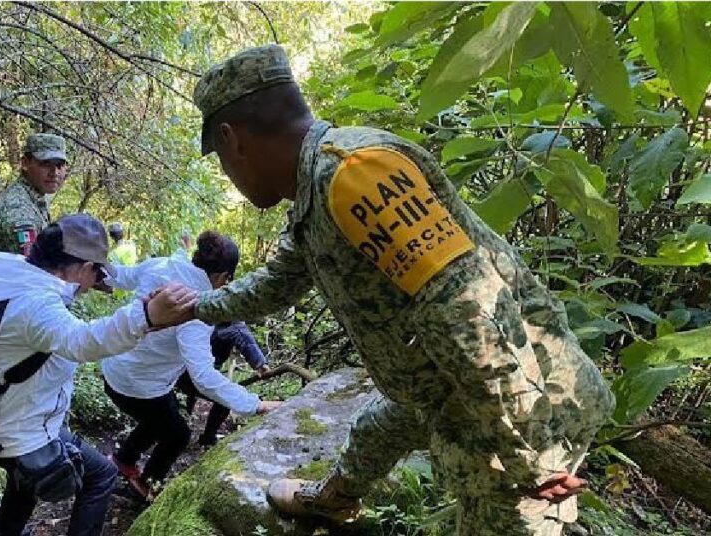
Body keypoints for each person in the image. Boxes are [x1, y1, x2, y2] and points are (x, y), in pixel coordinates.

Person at [189, 44, 614, 536]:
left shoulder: (355, 176)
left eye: (220, 159)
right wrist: (194, 307)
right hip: (449, 388)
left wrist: (528, 457)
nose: (227, 173)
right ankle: (335, 500)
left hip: (520, 408)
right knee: (379, 427)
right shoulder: (316, 188)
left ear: (231, 138)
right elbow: (281, 280)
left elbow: (471, 315)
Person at [0, 214, 197, 536]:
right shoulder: (37, 304)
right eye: (97, 269)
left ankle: (8, 532)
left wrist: (145, 316)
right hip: (15, 429)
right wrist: (146, 316)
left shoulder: (12, 277)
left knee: (22, 478)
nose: (98, 278)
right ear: (84, 268)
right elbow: (83, 342)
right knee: (100, 477)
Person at [100, 231, 280, 497]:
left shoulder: (162, 265)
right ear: (222, 277)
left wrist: (92, 266)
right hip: (138, 385)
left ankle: (123, 461)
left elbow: (122, 276)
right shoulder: (194, 308)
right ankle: (147, 485)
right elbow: (203, 376)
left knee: (162, 417)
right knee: (178, 434)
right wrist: (255, 404)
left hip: (114, 368)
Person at [178, 320, 271, 446]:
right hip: (192, 370)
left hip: (182, 367)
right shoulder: (228, 321)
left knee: (190, 392)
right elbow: (239, 332)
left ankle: (188, 422)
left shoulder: (205, 316)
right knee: (224, 401)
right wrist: (259, 364)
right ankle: (207, 438)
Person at [0, 133, 69, 254]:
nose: (54, 172)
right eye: (46, 164)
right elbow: (33, 265)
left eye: (59, 165)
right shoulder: (18, 210)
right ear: (25, 163)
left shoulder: (35, 196)